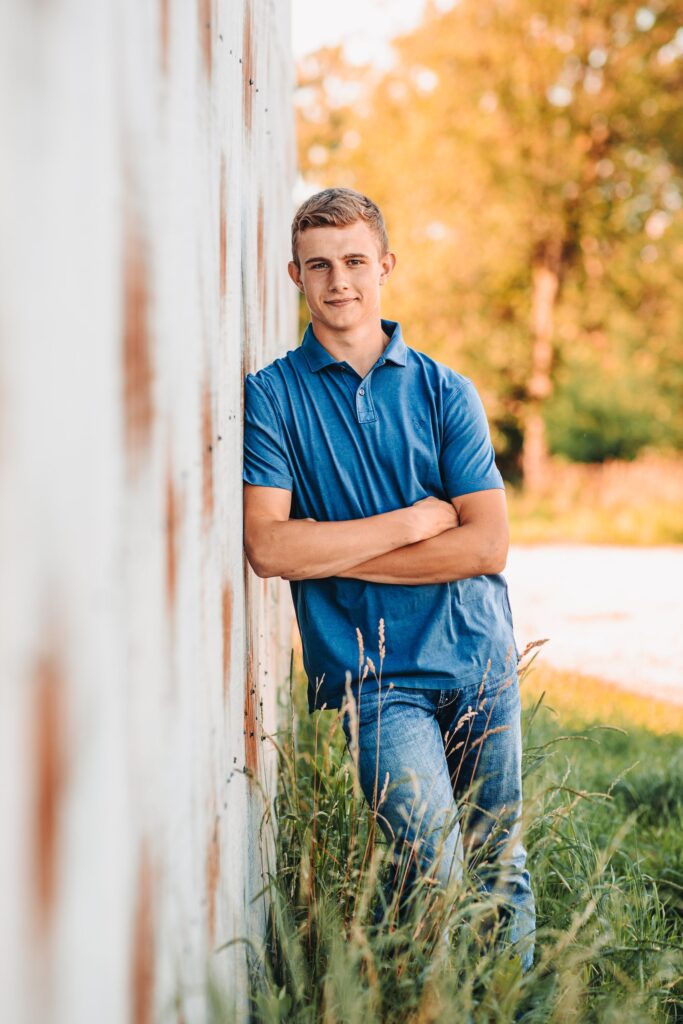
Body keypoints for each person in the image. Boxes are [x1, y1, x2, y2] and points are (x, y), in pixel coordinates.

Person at [242, 187, 535, 970]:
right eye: (319, 265)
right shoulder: (271, 396)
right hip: (373, 682)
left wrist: (328, 548)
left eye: (355, 261)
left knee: (497, 868)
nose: (339, 280)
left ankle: (509, 1007)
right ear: (295, 276)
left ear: (385, 266)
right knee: (434, 874)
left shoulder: (445, 391)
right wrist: (411, 522)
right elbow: (269, 551)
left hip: (477, 658)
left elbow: (484, 547)